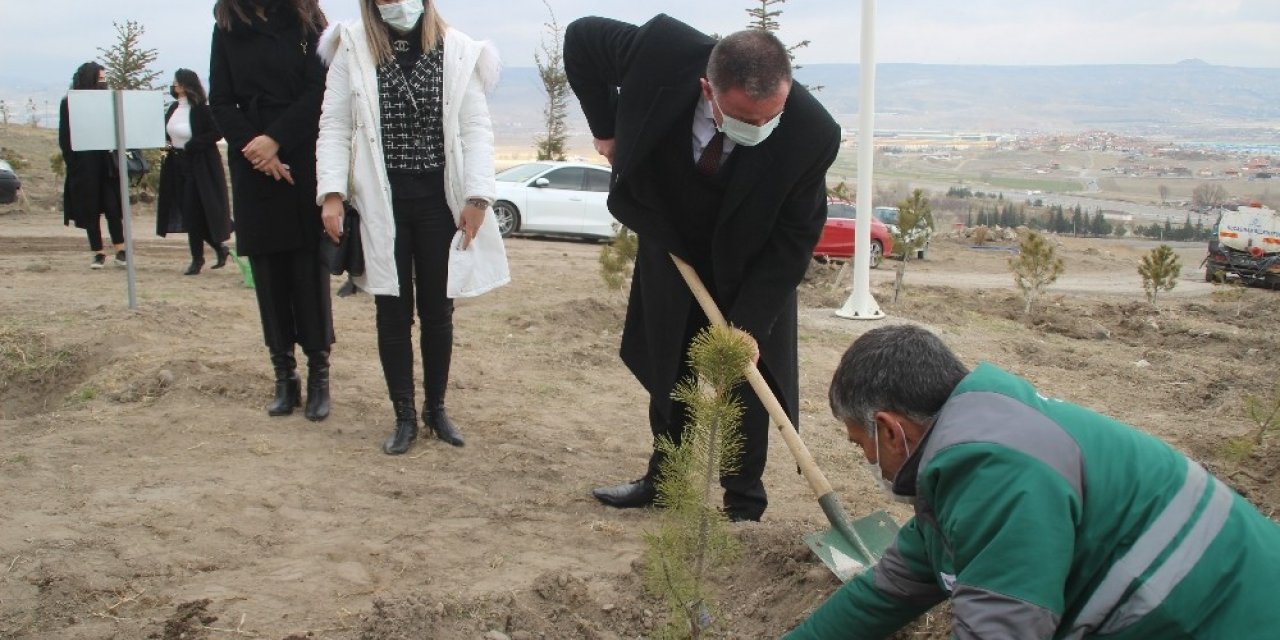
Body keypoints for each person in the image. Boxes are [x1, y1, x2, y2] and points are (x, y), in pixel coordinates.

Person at [786, 324, 1280, 639]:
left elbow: (1001, 630)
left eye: (860, 443)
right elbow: (888, 591)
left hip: (1231, 617)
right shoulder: (976, 450)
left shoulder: (995, 473)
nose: (867, 459)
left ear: (891, 429)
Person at [564, 15, 840, 522]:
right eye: (743, 118)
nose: (759, 130)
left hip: (754, 260)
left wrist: (750, 325)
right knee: (671, 362)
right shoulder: (661, 51)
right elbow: (581, 39)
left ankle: (743, 505)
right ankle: (664, 481)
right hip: (672, 238)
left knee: (750, 377)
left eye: (768, 118)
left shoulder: (811, 132)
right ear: (707, 90)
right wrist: (606, 129)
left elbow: (795, 236)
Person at [316, 0, 508, 454]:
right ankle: (403, 415)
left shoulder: (458, 49)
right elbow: (335, 123)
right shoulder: (353, 46)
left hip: (439, 203)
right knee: (392, 313)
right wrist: (331, 192)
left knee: (439, 313)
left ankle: (436, 410)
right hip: (382, 202)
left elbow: (476, 128)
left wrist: (478, 196)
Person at [209, 0, 334, 421]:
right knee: (268, 272)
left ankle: (319, 375)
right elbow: (221, 101)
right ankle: (284, 376)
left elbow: (321, 89)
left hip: (301, 154)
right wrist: (256, 149)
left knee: (306, 269)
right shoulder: (227, 24)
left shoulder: (307, 19)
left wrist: (277, 139)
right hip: (251, 163)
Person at [156, 69, 233, 275]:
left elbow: (216, 133)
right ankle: (219, 248)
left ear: (185, 85)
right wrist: (163, 156)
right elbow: (166, 137)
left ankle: (197, 259)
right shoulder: (173, 108)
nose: (174, 86)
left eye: (177, 83)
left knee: (195, 212)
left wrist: (193, 145)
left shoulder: (201, 110)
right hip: (176, 164)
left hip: (199, 165)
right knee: (188, 212)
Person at [58, 62, 126, 270]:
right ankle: (97, 252)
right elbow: (65, 136)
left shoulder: (108, 100)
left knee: (113, 207)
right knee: (90, 209)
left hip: (106, 162)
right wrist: (74, 163)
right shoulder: (69, 102)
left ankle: (121, 249)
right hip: (84, 164)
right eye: (100, 78)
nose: (103, 82)